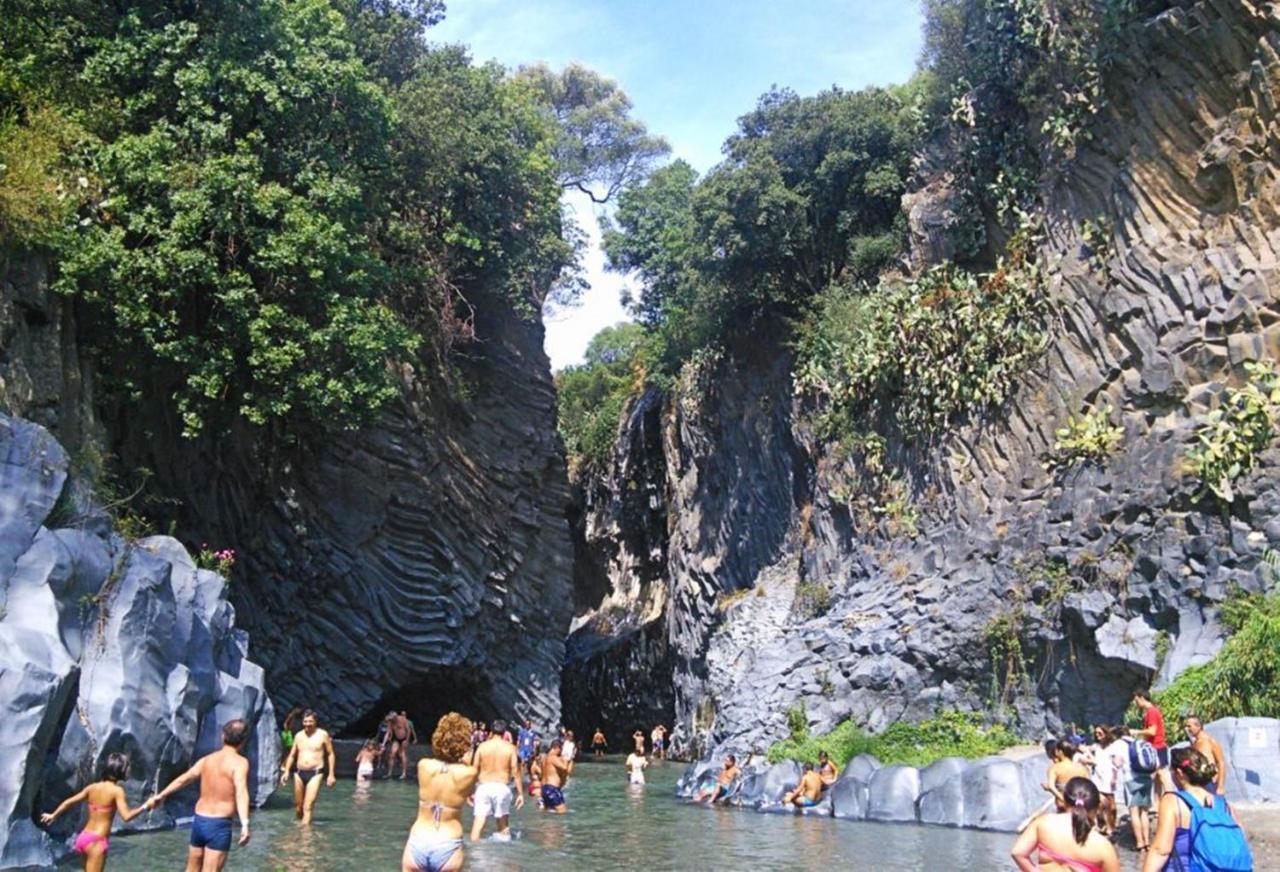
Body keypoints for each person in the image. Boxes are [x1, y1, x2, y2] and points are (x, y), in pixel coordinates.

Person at [147, 720, 252, 872]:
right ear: (243, 741)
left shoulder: (207, 760)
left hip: (199, 821)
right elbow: (241, 791)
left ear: (223, 736)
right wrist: (245, 823)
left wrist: (161, 795)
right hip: (219, 824)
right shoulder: (240, 763)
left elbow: (184, 778)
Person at [1143, 747, 1253, 872]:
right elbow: (1241, 841)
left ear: (1179, 773)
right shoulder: (1224, 806)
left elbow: (1161, 850)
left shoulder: (1173, 802)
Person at [40, 753, 148, 871]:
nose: (129, 771)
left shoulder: (92, 788)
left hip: (83, 838)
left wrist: (53, 815)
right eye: (127, 767)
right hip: (97, 841)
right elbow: (126, 816)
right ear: (119, 769)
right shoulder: (117, 791)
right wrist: (145, 806)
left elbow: (68, 802)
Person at [402, 712, 478, 872]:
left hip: (419, 838)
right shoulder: (468, 774)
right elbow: (470, 792)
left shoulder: (423, 766)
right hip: (448, 842)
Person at [1011, 776, 1121, 872]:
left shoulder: (1043, 823)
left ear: (1064, 800)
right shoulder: (1103, 847)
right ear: (1096, 808)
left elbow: (1018, 853)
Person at [469, 718, 523, 842]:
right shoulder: (510, 748)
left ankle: (476, 856)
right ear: (505, 732)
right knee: (504, 828)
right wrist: (520, 794)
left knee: (477, 827)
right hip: (502, 788)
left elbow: (474, 770)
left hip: (483, 787)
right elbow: (516, 772)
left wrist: (470, 790)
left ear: (491, 731)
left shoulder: (482, 747)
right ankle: (501, 859)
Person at [280, 709, 337, 824]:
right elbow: (292, 755)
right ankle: (300, 826)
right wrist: (286, 772)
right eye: (305, 721)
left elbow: (330, 754)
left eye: (310, 721)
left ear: (315, 722)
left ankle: (305, 837)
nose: (308, 724)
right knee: (298, 807)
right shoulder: (298, 736)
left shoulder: (322, 735)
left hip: (316, 773)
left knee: (308, 806)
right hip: (299, 773)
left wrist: (331, 774)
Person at [1119, 728, 1154, 852]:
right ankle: (1147, 843)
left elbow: (1117, 763)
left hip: (1131, 781)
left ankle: (1139, 843)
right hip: (1146, 779)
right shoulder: (1140, 743)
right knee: (1144, 812)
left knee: (1134, 812)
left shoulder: (1119, 745)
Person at [1087, 726, 1123, 836]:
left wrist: (1114, 777)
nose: (1097, 735)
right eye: (1096, 733)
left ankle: (1112, 824)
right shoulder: (1096, 746)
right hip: (1097, 777)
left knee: (1111, 804)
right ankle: (1104, 825)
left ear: (1105, 733)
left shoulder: (1112, 747)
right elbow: (1085, 748)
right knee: (1100, 803)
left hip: (1108, 777)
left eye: (1100, 733)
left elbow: (1117, 763)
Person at [1132, 690, 1170, 791]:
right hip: (1154, 747)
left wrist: (1136, 732)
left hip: (1157, 746)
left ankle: (1171, 796)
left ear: (1142, 698)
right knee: (1157, 779)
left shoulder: (1152, 712)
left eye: (1137, 701)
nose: (1136, 704)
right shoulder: (1151, 712)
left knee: (1162, 774)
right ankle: (1158, 805)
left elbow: (1152, 731)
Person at [1184, 715, 1228, 795]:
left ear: (1198, 726)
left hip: (1211, 783)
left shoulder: (1210, 741)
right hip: (1198, 783)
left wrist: (1220, 786)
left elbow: (1221, 763)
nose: (1187, 729)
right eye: (1186, 726)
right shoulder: (1194, 743)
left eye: (1189, 726)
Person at [1042, 739, 1092, 810]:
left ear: (1060, 752)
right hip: (1080, 806)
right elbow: (1089, 788)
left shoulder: (1054, 768)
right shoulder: (1083, 769)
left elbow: (1051, 787)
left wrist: (1063, 799)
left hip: (1062, 804)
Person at [539, 739, 571, 814]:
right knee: (562, 812)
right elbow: (564, 768)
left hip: (544, 788)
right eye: (561, 749)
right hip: (552, 788)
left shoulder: (544, 759)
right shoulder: (553, 757)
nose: (560, 752)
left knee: (548, 813)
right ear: (557, 747)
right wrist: (566, 758)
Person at [384, 711, 416, 780]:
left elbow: (409, 730)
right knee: (392, 754)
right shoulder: (390, 722)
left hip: (404, 738)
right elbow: (388, 732)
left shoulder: (402, 719)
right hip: (396, 738)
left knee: (402, 754)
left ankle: (404, 773)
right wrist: (384, 743)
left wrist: (407, 740)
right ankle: (389, 773)